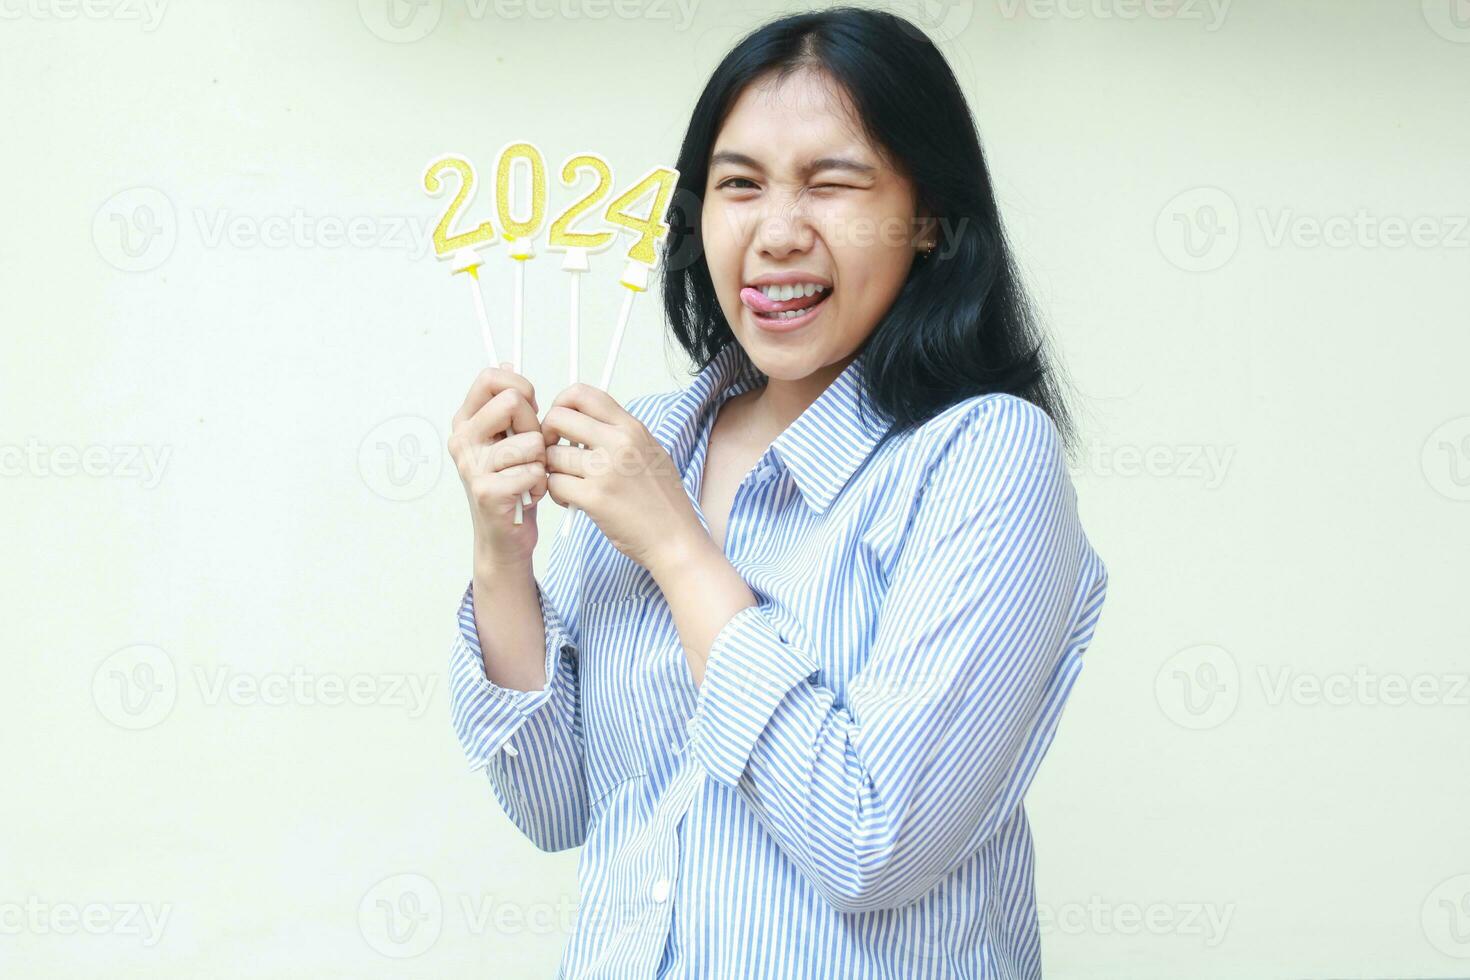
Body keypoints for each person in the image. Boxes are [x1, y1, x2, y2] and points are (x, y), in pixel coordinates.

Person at [445, 7, 1109, 977]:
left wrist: (677, 546)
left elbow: (873, 838)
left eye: (833, 184)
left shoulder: (984, 455)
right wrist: (503, 553)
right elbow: (555, 807)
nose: (778, 233)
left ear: (928, 217)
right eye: (739, 185)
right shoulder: (649, 443)